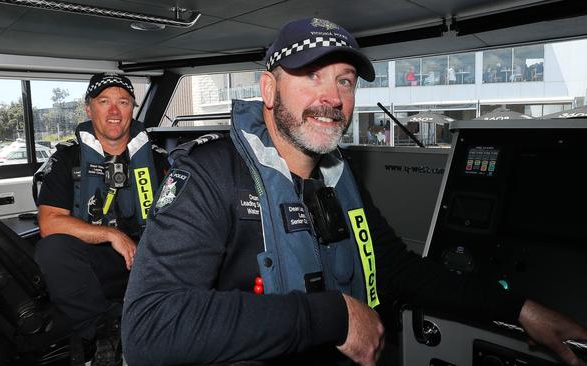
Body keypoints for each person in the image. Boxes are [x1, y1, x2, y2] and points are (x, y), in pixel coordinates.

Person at [123, 18, 587, 366]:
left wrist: (518, 308)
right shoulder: (211, 174)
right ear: (268, 89)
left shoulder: (338, 177)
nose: (332, 98)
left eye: (344, 80)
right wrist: (333, 316)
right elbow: (149, 328)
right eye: (310, 76)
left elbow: (400, 269)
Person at [35, 73, 167, 365]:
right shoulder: (66, 159)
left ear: (132, 108)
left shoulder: (159, 160)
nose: (114, 111)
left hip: (150, 261)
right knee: (52, 249)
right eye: (103, 101)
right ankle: (103, 329)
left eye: (123, 102)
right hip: (96, 265)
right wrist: (112, 235)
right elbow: (50, 222)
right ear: (88, 108)